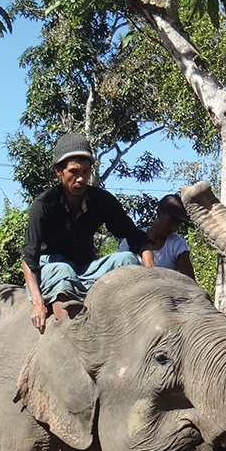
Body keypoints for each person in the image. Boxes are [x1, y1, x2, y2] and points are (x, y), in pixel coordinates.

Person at [20, 133, 155, 331]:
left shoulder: (101, 201)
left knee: (126, 259)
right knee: (63, 270)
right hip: (50, 270)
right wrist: (38, 303)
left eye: (85, 171)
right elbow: (29, 257)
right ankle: (69, 332)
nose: (81, 178)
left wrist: (153, 276)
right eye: (74, 172)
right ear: (59, 172)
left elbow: (137, 238)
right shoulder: (44, 204)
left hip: (84, 269)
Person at [118, 194, 195, 279]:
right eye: (171, 222)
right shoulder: (134, 237)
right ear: (159, 213)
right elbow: (118, 268)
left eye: (178, 224)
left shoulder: (177, 245)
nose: (174, 228)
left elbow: (190, 281)